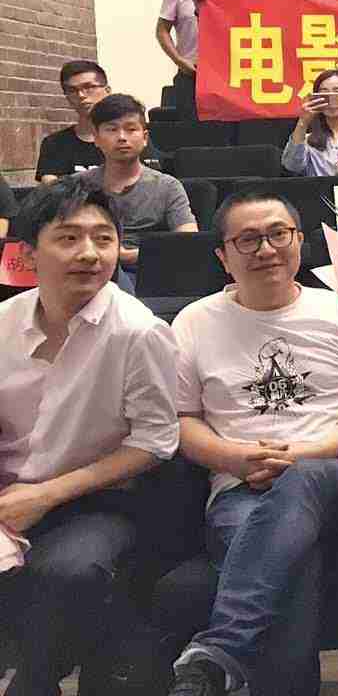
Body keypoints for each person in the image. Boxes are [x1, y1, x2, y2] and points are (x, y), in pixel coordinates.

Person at [165, 192, 338, 696]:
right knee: (288, 560)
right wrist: (234, 459)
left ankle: (220, 647)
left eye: (278, 234)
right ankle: (221, 665)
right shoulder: (194, 322)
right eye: (248, 239)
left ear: (299, 241)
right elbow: (180, 421)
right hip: (242, 488)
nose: (266, 249)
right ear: (223, 256)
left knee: (303, 484)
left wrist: (310, 456)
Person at [0, 181, 178, 696]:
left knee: (69, 572)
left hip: (97, 498)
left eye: (104, 239)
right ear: (28, 254)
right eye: (69, 238)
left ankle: (32, 683)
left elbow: (156, 441)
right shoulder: (4, 324)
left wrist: (46, 494)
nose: (90, 254)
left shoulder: (138, 332)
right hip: (10, 489)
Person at [79, 95, 197, 272]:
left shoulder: (168, 186)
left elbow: (188, 241)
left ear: (145, 138)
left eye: (131, 129)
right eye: (112, 129)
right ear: (96, 138)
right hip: (89, 267)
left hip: (149, 271)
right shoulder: (78, 185)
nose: (121, 137)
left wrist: (129, 255)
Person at [156, 0, 226, 118]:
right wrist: (179, 60)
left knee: (223, 127)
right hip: (190, 73)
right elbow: (162, 31)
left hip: (223, 75)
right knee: (190, 126)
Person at [37, 60, 114, 182]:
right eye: (72, 90)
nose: (81, 95)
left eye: (89, 87)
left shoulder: (131, 136)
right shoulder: (55, 144)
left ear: (108, 91)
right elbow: (51, 188)